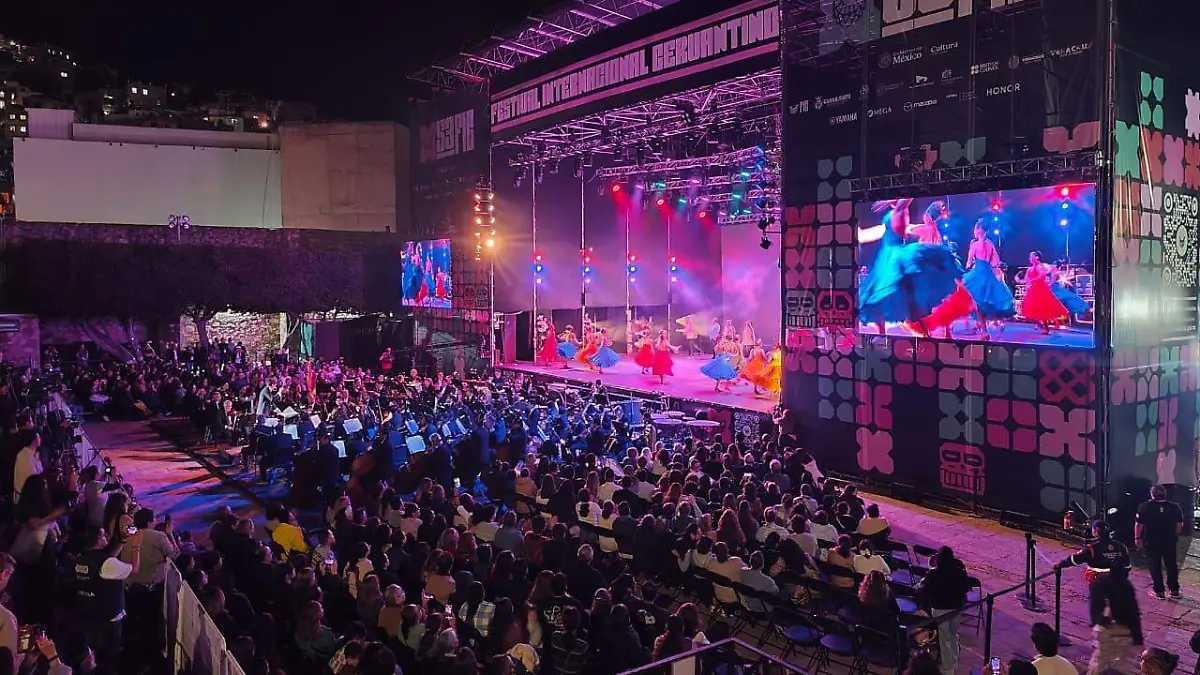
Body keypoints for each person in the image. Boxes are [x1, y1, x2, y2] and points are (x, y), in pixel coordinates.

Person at [858, 199, 962, 336]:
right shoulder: (924, 226)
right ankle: (931, 332)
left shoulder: (906, 214)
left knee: (886, 295)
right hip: (893, 256)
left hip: (896, 256)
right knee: (885, 296)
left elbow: (905, 216)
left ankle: (912, 333)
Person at [74, 525, 141, 675]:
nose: (106, 538)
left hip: (89, 616)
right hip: (108, 623)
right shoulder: (107, 564)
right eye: (103, 536)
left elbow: (107, 560)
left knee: (94, 657)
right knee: (108, 660)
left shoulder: (80, 559)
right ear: (98, 540)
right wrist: (136, 546)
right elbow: (134, 569)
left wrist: (122, 540)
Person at [918, 546, 971, 675]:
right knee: (953, 635)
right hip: (955, 609)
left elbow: (924, 590)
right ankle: (953, 663)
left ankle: (948, 669)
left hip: (939, 610)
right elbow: (966, 588)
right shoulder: (958, 572)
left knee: (944, 639)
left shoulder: (933, 573)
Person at [963, 221, 1015, 338]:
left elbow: (969, 262)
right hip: (988, 273)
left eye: (976, 229)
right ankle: (987, 328)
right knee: (985, 302)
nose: (975, 231)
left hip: (978, 273)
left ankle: (984, 331)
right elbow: (996, 262)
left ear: (979, 230)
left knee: (976, 302)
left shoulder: (975, 245)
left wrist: (968, 267)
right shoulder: (990, 244)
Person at [1135, 484, 1184, 600]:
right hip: (1169, 540)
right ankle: (1174, 590)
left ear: (1152, 494)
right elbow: (1180, 524)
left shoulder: (1144, 507)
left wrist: (1137, 537)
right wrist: (1174, 534)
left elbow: (1139, 524)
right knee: (1171, 564)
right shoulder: (1175, 507)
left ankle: (1160, 591)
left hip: (1151, 540)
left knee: (1154, 565)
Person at [1018, 251, 1069, 334]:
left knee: (1043, 307)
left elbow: (1041, 276)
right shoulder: (1030, 269)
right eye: (1030, 257)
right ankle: (1040, 323)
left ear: (1037, 257)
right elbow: (1026, 279)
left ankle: (1045, 326)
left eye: (1032, 257)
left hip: (1041, 288)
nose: (1030, 259)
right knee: (1032, 307)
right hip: (1033, 289)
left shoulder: (1040, 266)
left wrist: (1031, 280)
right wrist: (1023, 281)